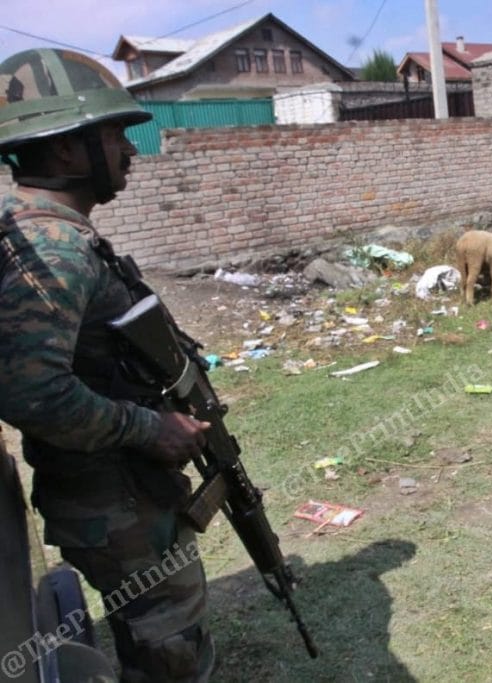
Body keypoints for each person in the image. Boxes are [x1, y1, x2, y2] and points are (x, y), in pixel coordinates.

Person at [0, 48, 215, 680]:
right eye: (116, 133)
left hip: (116, 493)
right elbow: (32, 393)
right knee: (169, 650)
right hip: (114, 500)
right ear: (66, 150)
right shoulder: (52, 247)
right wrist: (155, 429)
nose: (132, 150)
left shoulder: (50, 232)